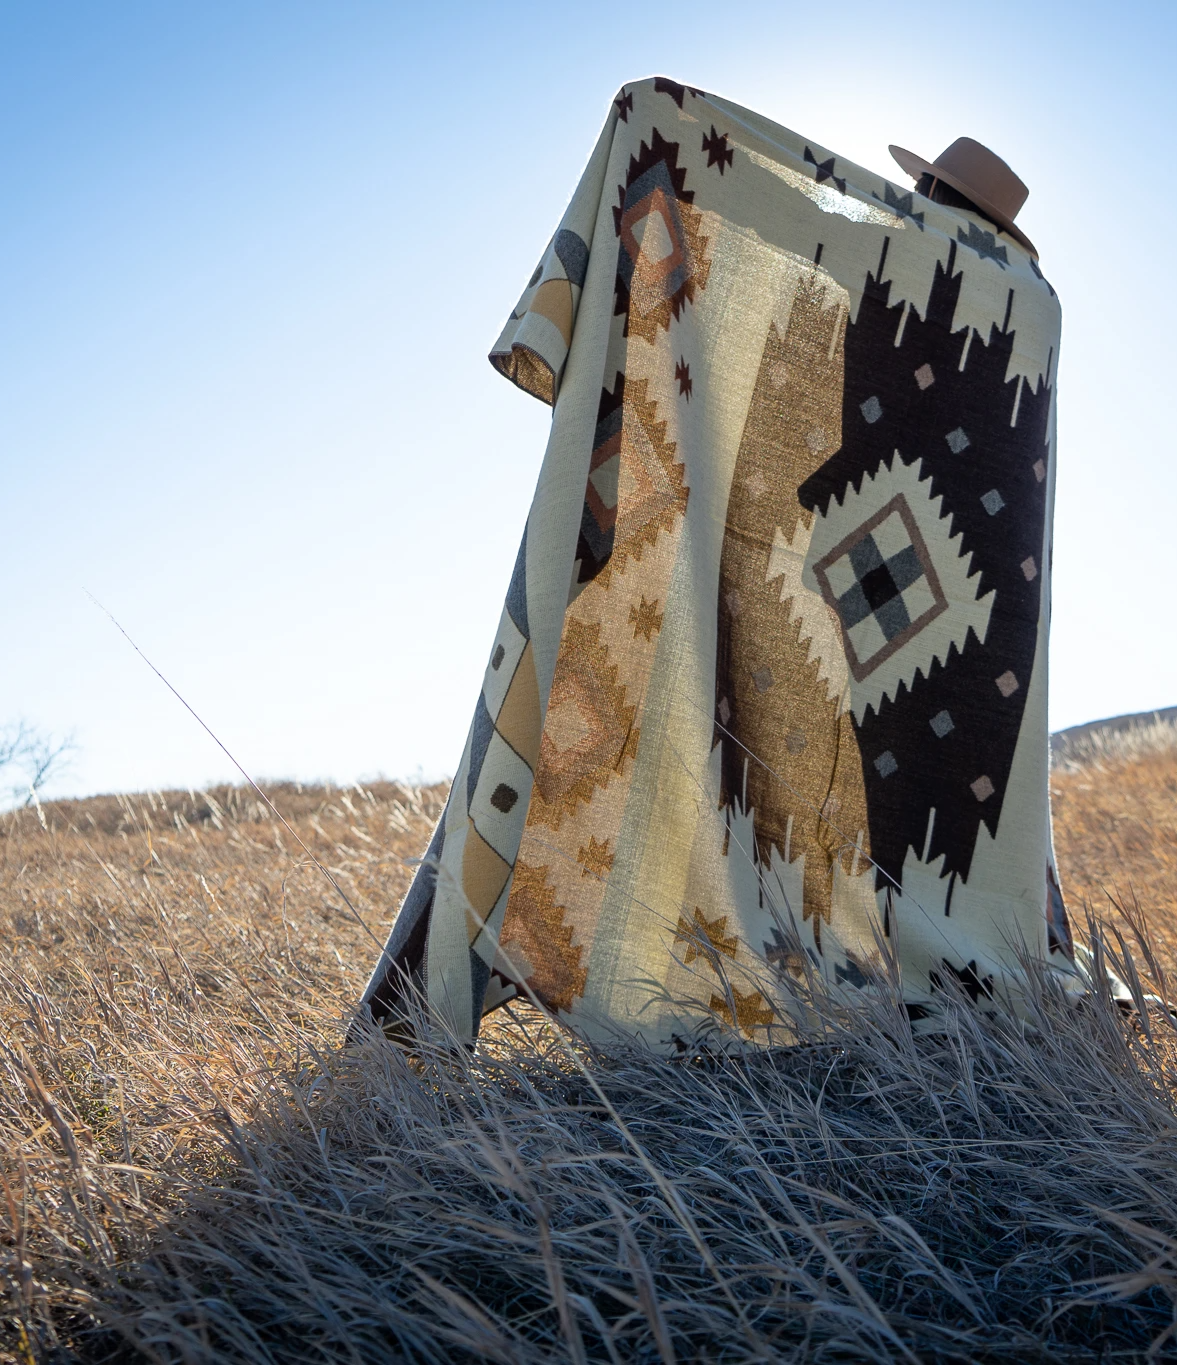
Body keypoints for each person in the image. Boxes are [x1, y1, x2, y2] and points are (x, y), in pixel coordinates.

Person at [359, 79, 1073, 1051]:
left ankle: (464, 985)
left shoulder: (893, 253)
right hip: (952, 609)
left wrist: (653, 125)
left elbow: (768, 210)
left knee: (692, 704)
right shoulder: (1034, 309)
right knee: (934, 793)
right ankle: (956, 957)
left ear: (933, 195)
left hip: (844, 553)